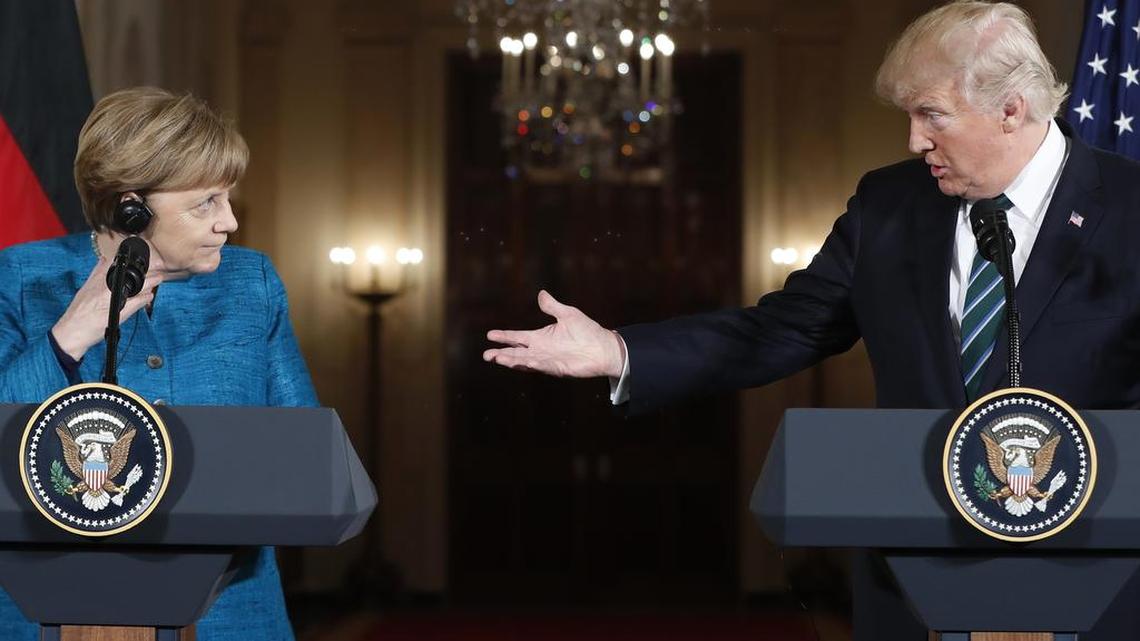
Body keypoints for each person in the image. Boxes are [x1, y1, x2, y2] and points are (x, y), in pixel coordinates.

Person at [485, 1, 1140, 639]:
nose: (914, 140)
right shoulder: (889, 204)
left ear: (1011, 110)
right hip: (913, 582)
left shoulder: (1131, 209)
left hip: (1096, 581)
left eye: (931, 115)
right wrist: (618, 352)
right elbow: (781, 330)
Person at [0, 87, 315, 640]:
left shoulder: (252, 284)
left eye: (227, 199)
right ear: (131, 206)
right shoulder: (21, 280)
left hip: (230, 615)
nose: (230, 223)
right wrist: (70, 335)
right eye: (206, 203)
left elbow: (306, 460)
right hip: (41, 616)